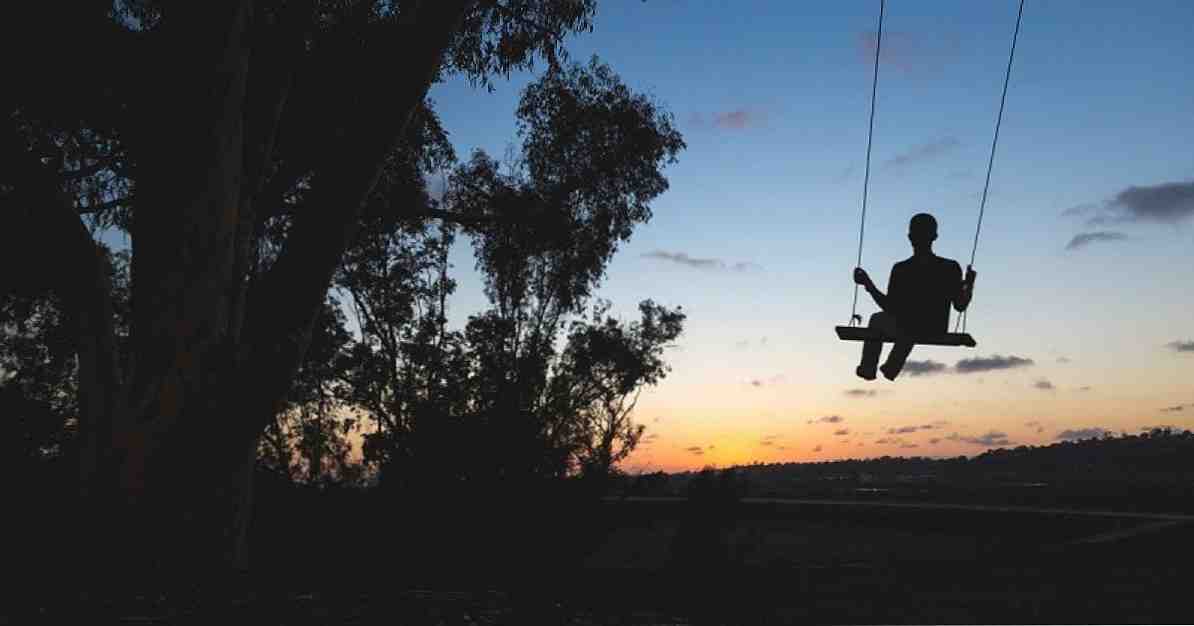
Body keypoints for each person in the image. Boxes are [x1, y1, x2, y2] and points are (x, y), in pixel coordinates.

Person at [852, 213, 976, 381]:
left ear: (910, 237)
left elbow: (890, 307)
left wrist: (868, 284)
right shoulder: (950, 267)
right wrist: (969, 285)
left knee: (880, 320)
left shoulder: (902, 269)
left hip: (913, 325)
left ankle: (869, 367)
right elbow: (960, 305)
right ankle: (891, 366)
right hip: (934, 326)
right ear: (935, 236)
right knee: (910, 322)